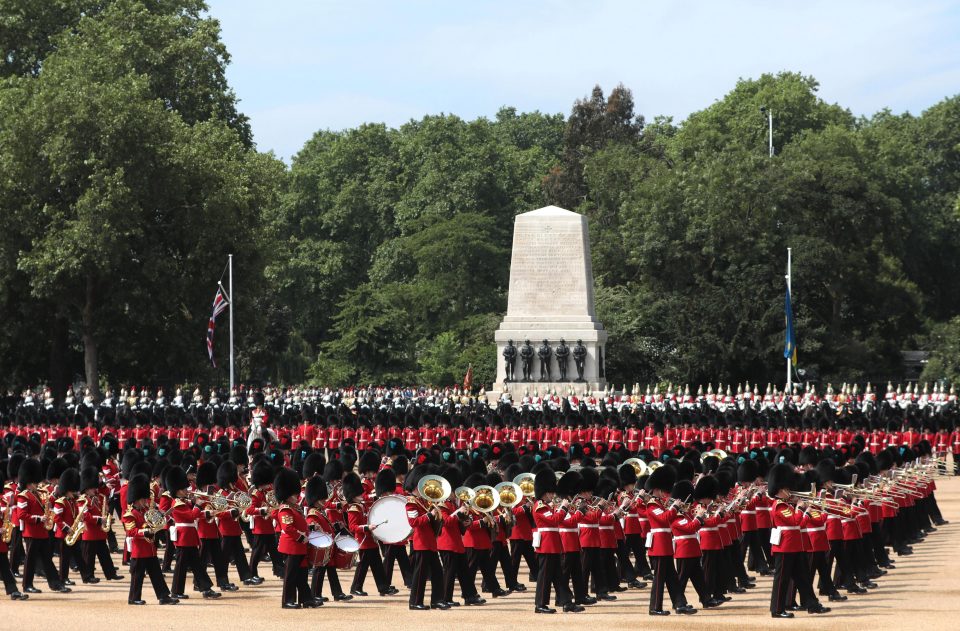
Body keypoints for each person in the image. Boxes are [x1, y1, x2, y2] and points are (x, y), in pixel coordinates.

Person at [767, 463, 830, 619]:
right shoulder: (780, 506)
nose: (790, 491)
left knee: (803, 578)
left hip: (795, 545)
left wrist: (803, 510)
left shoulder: (787, 504)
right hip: (785, 547)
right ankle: (777, 609)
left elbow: (800, 524)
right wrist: (801, 509)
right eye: (787, 488)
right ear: (780, 489)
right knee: (782, 580)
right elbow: (795, 521)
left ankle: (812, 605)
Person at [165, 466, 221, 600]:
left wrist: (207, 513)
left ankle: (206, 589)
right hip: (184, 538)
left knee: (197, 566)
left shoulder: (183, 502)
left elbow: (194, 515)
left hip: (189, 537)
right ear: (178, 491)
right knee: (181, 567)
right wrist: (198, 505)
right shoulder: (177, 504)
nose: (187, 490)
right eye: (184, 489)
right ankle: (176, 591)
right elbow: (190, 516)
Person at [122, 474, 178, 605]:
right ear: (136, 499)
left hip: (150, 549)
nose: (146, 502)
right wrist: (145, 531)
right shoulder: (130, 514)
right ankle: (134, 598)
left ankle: (164, 596)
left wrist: (160, 519)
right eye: (143, 499)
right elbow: (131, 531)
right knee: (137, 576)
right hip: (139, 550)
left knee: (156, 574)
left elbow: (154, 523)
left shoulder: (146, 510)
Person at [645, 464, 693, 615]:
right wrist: (675, 508)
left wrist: (674, 507)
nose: (665, 493)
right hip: (659, 545)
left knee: (672, 577)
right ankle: (655, 607)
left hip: (665, 544)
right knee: (659, 579)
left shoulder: (660, 504)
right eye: (662, 490)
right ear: (657, 489)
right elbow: (665, 518)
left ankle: (680, 604)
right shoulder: (652, 505)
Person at [17, 459, 71, 594]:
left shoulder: (40, 494)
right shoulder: (24, 497)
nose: (38, 484)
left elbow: (48, 505)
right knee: (30, 561)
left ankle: (55, 584)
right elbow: (21, 515)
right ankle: (27, 585)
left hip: (42, 532)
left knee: (47, 559)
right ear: (29, 484)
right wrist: (39, 519)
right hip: (31, 533)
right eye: (35, 483)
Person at [343, 472, 396, 597]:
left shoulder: (362, 506)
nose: (361, 494)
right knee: (363, 566)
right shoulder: (354, 509)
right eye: (358, 493)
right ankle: (356, 587)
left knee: (377, 565)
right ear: (353, 495)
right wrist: (367, 527)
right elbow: (353, 527)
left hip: (371, 540)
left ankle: (383, 587)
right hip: (363, 541)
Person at [275, 467, 320, 609]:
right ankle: (287, 600)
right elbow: (288, 528)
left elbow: (300, 525)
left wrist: (311, 528)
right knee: (291, 576)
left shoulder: (294, 508)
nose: (297, 497)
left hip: (299, 547)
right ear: (287, 495)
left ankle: (306, 599)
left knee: (301, 574)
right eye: (294, 494)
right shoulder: (285, 509)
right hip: (292, 546)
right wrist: (302, 538)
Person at [405, 467, 448, 610]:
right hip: (421, 542)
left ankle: (436, 600)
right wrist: (430, 515)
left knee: (437, 572)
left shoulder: (423, 501)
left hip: (430, 542)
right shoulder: (411, 502)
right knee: (420, 575)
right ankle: (415, 602)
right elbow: (414, 522)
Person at [531, 468, 573, 613]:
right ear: (544, 492)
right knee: (545, 577)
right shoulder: (540, 506)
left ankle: (566, 602)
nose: (552, 495)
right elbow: (555, 520)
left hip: (554, 544)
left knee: (559, 576)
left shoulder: (548, 506)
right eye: (550, 492)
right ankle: (540, 604)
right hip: (547, 545)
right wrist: (564, 509)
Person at [303, 476, 350, 602]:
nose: (324, 500)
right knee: (319, 571)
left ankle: (337, 593)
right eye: (322, 498)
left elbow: (326, 526)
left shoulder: (320, 511)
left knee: (331, 570)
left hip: (328, 544)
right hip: (322, 545)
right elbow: (311, 527)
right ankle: (315, 594)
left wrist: (336, 526)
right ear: (315, 499)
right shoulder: (313, 513)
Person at [78, 467, 123, 583]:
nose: (95, 490)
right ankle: (88, 576)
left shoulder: (98, 497)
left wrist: (107, 515)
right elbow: (85, 516)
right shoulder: (82, 500)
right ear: (87, 489)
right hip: (90, 532)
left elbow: (104, 505)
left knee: (105, 555)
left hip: (100, 532)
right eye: (93, 488)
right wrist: (99, 520)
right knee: (89, 557)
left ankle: (110, 573)